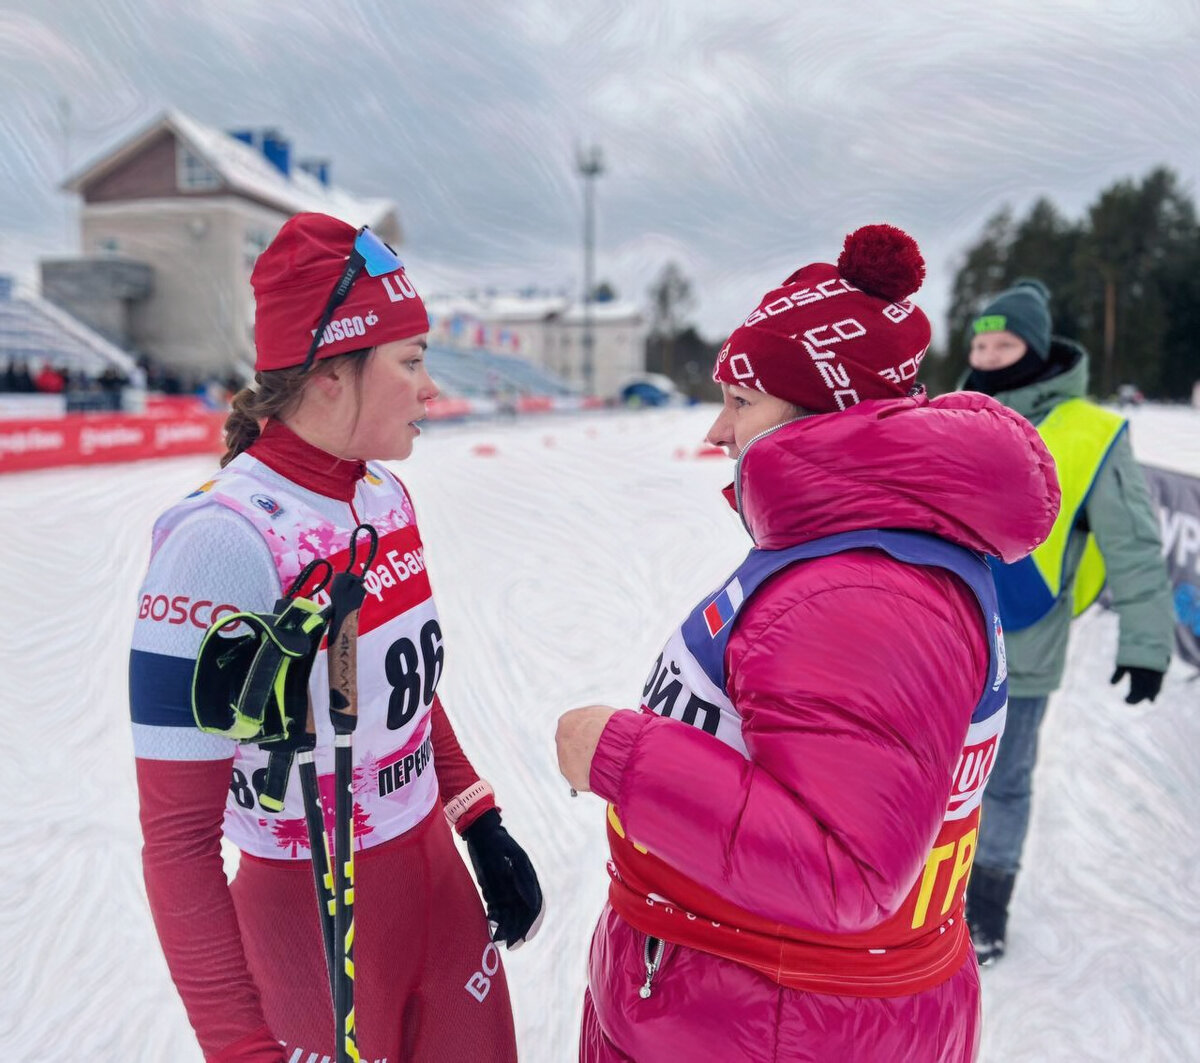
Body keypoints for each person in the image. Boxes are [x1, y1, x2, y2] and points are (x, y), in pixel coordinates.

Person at [556, 225, 1060, 1062]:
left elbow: (845, 867)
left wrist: (616, 752)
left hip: (779, 1021)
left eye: (742, 399)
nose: (718, 430)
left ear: (824, 406)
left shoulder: (866, 588)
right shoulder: (852, 549)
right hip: (756, 1006)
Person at [130, 213, 543, 1063]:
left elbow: (404, 689)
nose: (432, 390)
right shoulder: (220, 542)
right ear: (329, 374)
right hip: (308, 927)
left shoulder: (383, 496)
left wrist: (478, 818)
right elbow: (177, 842)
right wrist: (238, 1045)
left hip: (433, 884)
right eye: (412, 362)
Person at [959, 279, 1173, 965]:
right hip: (941, 634)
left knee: (1006, 777)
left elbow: (1133, 540)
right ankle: (923, 893)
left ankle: (985, 908)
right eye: (980, 343)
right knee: (927, 769)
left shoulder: (1089, 429)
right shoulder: (950, 415)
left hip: (1026, 638)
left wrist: (1147, 641)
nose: (989, 356)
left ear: (1038, 347)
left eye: (1005, 342)